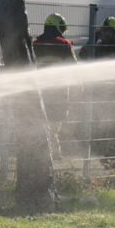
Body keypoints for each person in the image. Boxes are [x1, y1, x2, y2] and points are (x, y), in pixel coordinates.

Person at [79, 16, 115, 167]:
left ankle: (113, 157)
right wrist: (92, 40)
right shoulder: (98, 47)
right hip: (102, 94)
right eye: (103, 32)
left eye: (109, 32)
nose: (106, 35)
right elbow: (83, 55)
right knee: (105, 128)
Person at [31, 13, 78, 158]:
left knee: (42, 118)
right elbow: (73, 67)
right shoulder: (64, 44)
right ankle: (53, 150)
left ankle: (46, 148)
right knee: (57, 118)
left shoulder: (35, 44)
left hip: (40, 89)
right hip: (60, 89)